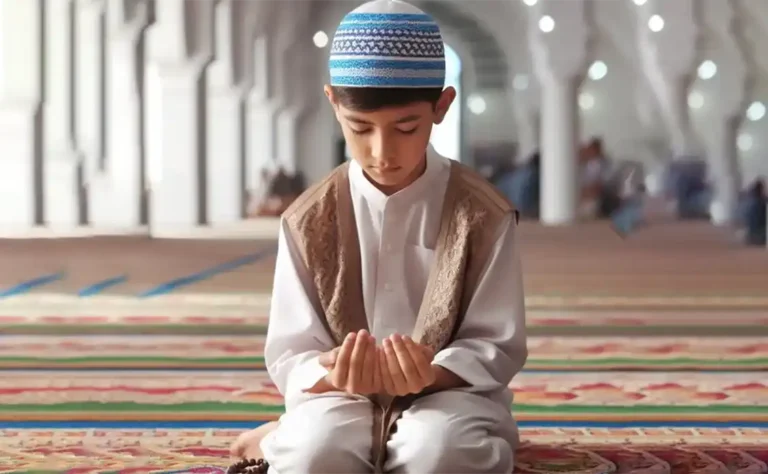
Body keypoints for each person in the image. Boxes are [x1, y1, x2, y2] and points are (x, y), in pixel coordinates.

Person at [230, 1, 528, 472]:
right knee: (316, 456)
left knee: (439, 455)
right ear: (334, 103)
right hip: (340, 397)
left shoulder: (483, 214)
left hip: (450, 396)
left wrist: (431, 372)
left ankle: (280, 441)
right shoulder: (308, 219)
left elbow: (494, 341)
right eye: (360, 128)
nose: (382, 152)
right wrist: (331, 371)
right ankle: (286, 439)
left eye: (405, 128)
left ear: (441, 106)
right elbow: (291, 349)